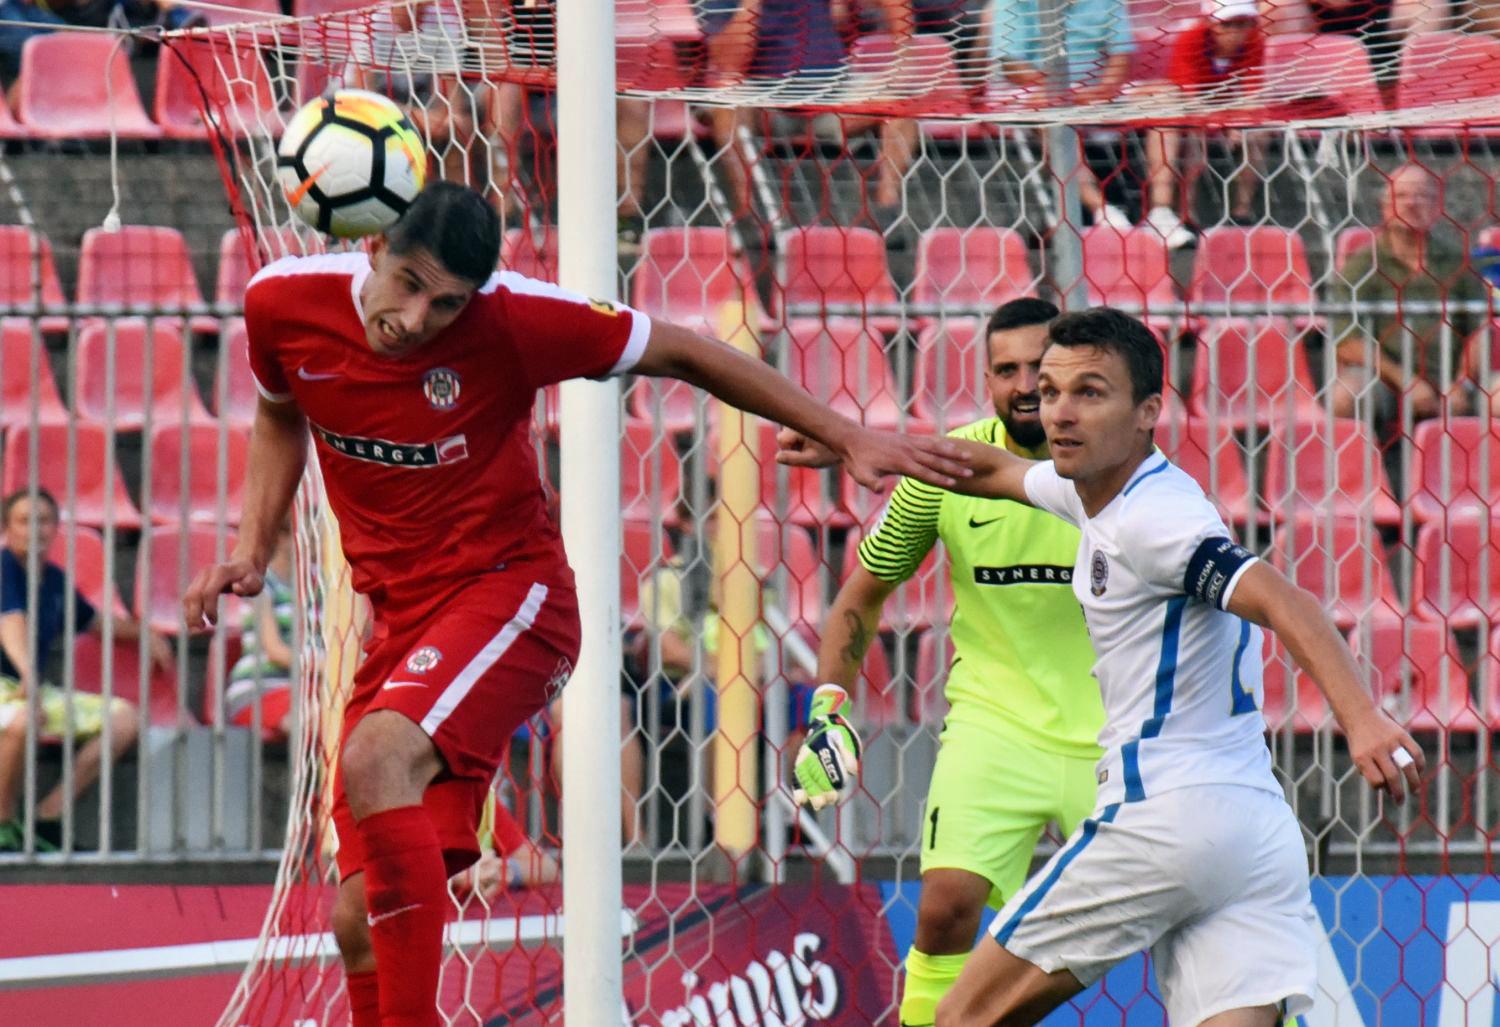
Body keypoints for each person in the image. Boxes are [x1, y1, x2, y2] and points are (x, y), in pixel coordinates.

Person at [180, 181, 968, 1027]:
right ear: (373, 247)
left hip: (512, 595)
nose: (415, 319)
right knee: (358, 919)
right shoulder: (283, 303)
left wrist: (847, 432)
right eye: (407, 285)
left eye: (445, 304)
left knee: (376, 759)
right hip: (400, 622)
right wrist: (250, 549)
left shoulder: (514, 319)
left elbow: (684, 350)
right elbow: (280, 413)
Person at [780, 306, 1424, 1027]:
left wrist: (1362, 719)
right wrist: (857, 441)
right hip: (1252, 833)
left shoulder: (1154, 524)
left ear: (1148, 411)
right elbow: (990, 468)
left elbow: (1283, 598)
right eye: (1050, 391)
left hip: (1161, 819)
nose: (1057, 410)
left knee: (958, 1018)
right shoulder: (1097, 487)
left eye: (1088, 392)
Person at [792, 298, 1103, 1027]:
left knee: (1184, 914)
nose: (1024, 386)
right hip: (996, 728)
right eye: (1006, 370)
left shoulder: (1114, 468)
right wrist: (828, 710)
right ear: (986, 379)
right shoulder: (942, 471)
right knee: (945, 906)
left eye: (1039, 369)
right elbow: (860, 595)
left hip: (1117, 735)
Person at [0, 488, 172, 852]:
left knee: (124, 720)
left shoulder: (54, 580)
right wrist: (28, 672)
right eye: (24, 521)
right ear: (7, 529)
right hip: (13, 687)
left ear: (56, 527)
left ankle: (47, 817)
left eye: (44, 520)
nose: (35, 529)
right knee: (22, 720)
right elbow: (9, 621)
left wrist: (145, 633)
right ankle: (2, 826)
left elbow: (94, 622)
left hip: (29, 690)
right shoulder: (3, 569)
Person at [699, 0, 919, 226]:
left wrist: (903, 58)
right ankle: (751, 214)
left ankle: (886, 209)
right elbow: (730, 64)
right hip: (764, 102)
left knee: (900, 104)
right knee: (727, 105)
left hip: (832, 94)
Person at [1330, 163, 1486, 427]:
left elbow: (1478, 330)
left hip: (1451, 381)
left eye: (1421, 195)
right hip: (1386, 380)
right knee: (1346, 396)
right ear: (1385, 207)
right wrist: (1405, 381)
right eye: (1401, 196)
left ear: (1436, 207)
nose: (1411, 203)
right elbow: (1347, 342)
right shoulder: (1362, 265)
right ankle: (1364, 455)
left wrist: (1463, 384)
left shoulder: (1456, 262)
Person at [979, 0, 1135, 227]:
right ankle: (1101, 209)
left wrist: (1100, 90)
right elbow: (1012, 66)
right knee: (1051, 111)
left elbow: (1121, 57)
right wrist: (1062, 91)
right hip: (1030, 90)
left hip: (1093, 91)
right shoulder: (1013, 3)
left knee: (1162, 95)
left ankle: (1162, 213)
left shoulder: (1107, 2)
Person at [1142, 0, 1268, 247]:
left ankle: (1242, 213)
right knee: (1184, 131)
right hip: (1190, 106)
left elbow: (1252, 92)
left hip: (1227, 105)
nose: (1236, 32)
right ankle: (1173, 211)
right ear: (1210, 23)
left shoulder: (1254, 40)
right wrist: (1220, 122)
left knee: (1257, 134)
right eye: (1228, 24)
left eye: (1244, 24)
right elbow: (1188, 94)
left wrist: (1239, 121)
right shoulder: (1190, 40)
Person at [225, 517, 295, 743]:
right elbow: (275, 650)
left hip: (304, 690)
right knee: (317, 716)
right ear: (282, 538)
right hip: (259, 691)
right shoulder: (260, 586)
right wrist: (323, 666)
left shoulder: (320, 588)